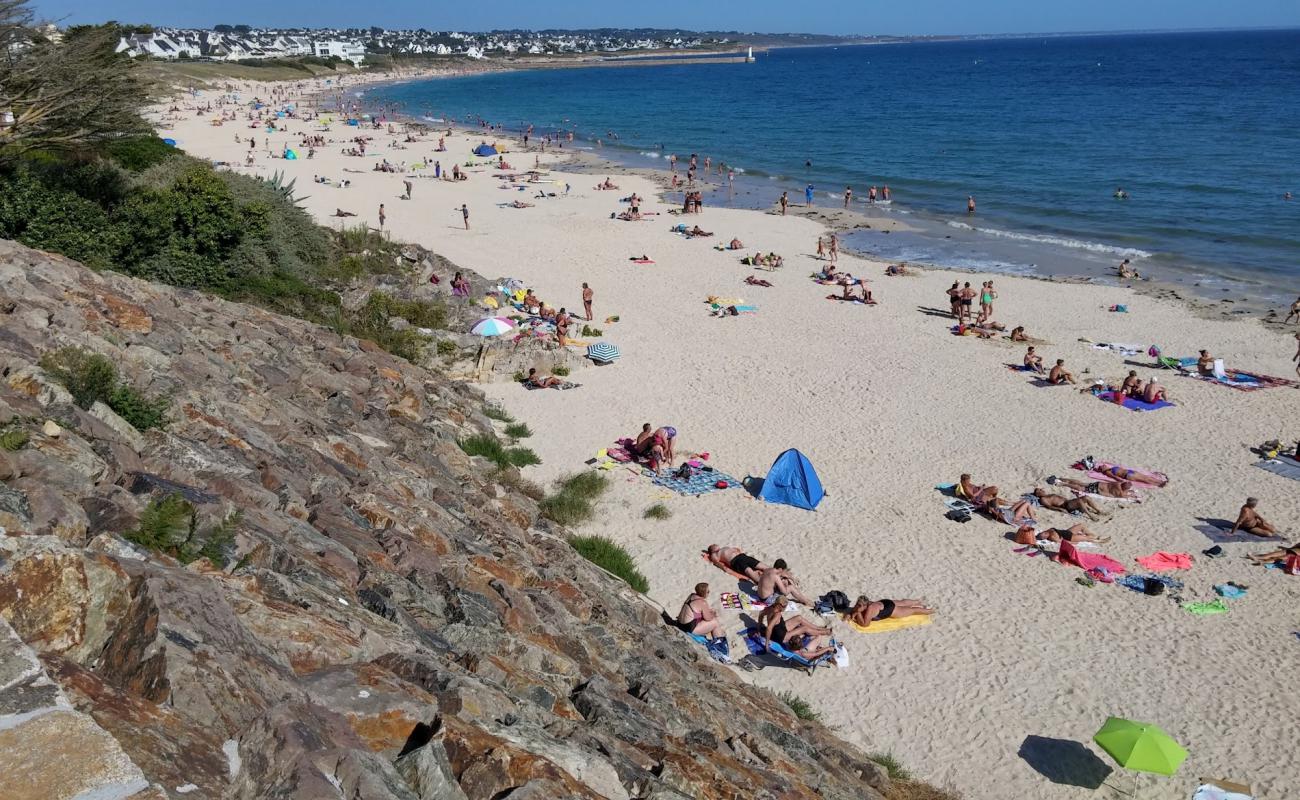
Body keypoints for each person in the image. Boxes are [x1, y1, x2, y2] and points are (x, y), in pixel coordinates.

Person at [757, 596, 834, 659]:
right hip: (782, 636)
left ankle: (819, 628)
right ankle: (823, 632)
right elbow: (769, 628)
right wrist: (767, 645)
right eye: (784, 607)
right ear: (779, 605)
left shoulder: (770, 607)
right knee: (804, 628)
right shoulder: (777, 615)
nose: (785, 608)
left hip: (779, 628)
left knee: (799, 618)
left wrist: (759, 626)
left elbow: (761, 614)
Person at [846, 596, 933, 629]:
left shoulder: (870, 609)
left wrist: (857, 613)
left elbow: (865, 624)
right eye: (857, 604)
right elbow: (853, 610)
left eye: (860, 606)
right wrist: (853, 613)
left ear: (865, 606)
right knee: (902, 602)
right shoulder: (863, 604)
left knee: (913, 611)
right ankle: (917, 601)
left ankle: (930, 610)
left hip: (890, 609)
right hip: (884, 603)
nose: (857, 607)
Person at [1031, 488, 1108, 521]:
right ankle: (1090, 515)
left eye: (1041, 489)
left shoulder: (1047, 495)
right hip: (1066, 506)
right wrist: (1060, 509)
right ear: (1038, 494)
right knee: (1080, 502)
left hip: (1069, 502)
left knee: (1086, 497)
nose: (1042, 490)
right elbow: (1049, 507)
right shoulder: (1043, 499)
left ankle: (1098, 511)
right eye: (1040, 490)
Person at [1048, 475, 1136, 500]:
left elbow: (1116, 479)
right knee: (1080, 488)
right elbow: (1126, 496)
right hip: (1098, 490)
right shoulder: (1121, 493)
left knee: (1081, 483)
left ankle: (1062, 478)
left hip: (1099, 484)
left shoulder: (1118, 483)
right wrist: (1132, 495)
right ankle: (1063, 484)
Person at [1015, 523, 1109, 546]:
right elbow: (1063, 541)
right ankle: (1099, 540)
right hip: (1070, 537)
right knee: (1086, 538)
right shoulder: (1052, 537)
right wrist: (1073, 543)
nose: (1044, 533)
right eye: (1043, 535)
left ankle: (1095, 536)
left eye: (1042, 533)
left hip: (1068, 531)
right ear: (1045, 538)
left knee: (1081, 526)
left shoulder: (1048, 531)